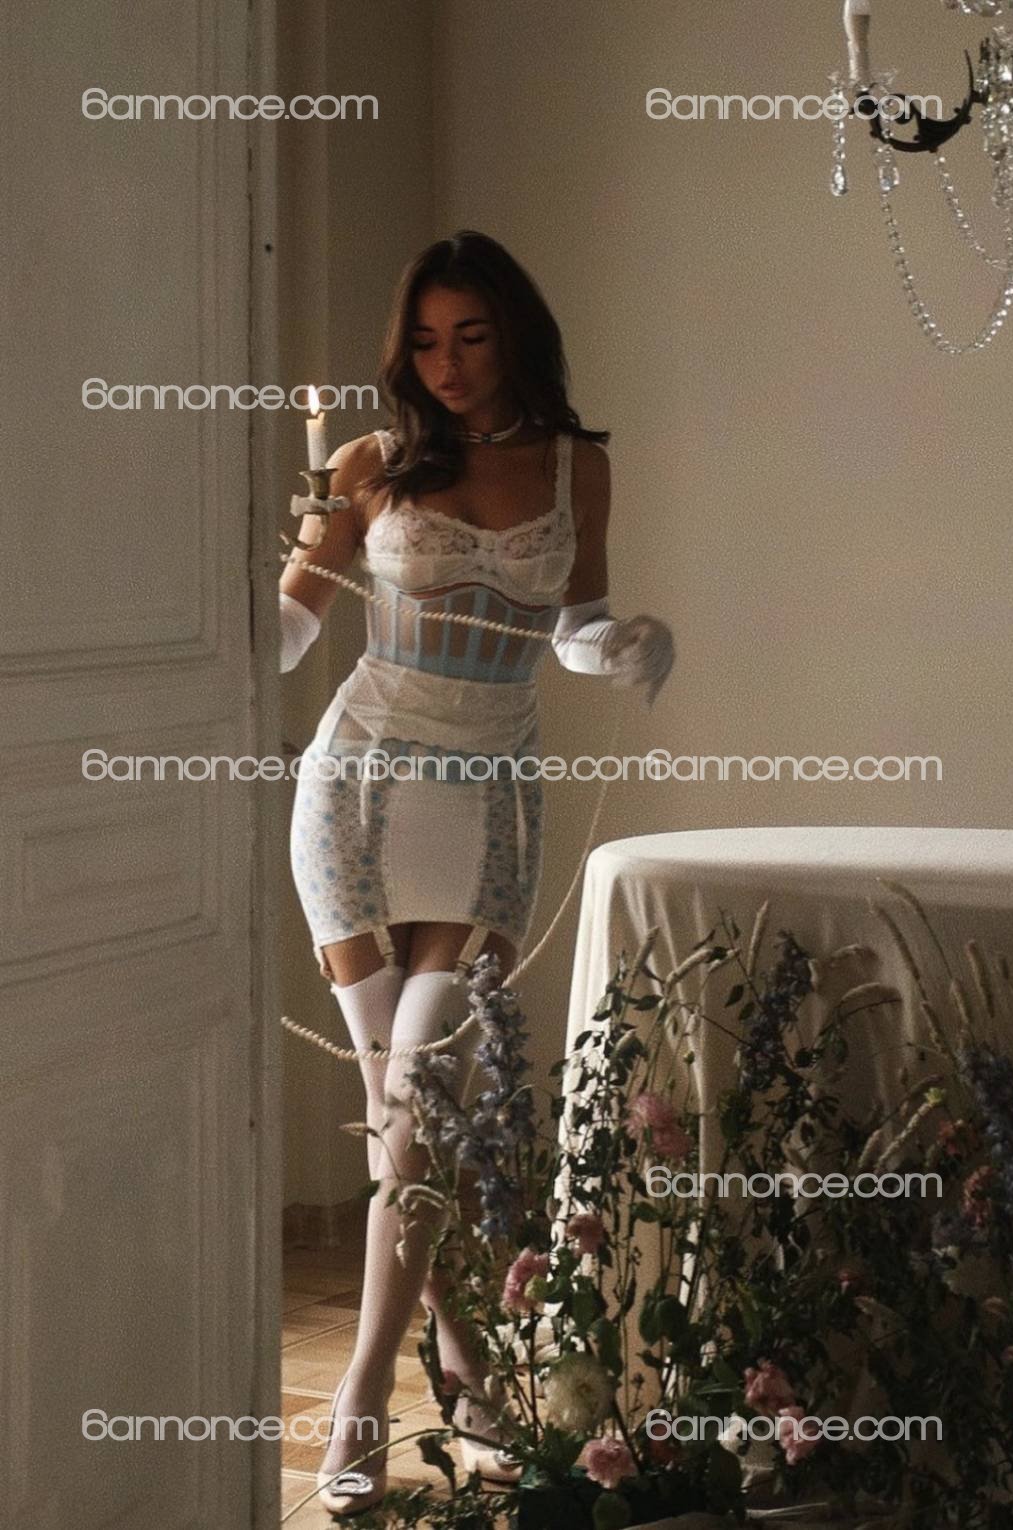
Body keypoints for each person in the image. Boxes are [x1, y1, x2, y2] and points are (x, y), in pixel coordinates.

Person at [278, 229, 675, 1517]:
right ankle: (418, 1380)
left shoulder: (574, 466)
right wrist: (217, 594)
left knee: (421, 1092)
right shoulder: (369, 464)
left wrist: (627, 643)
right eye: (425, 341)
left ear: (515, 336)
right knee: (414, 1105)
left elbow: (575, 627)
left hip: (489, 793)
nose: (445, 364)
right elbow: (285, 632)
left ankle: (408, 1379)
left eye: (472, 336)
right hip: (357, 784)